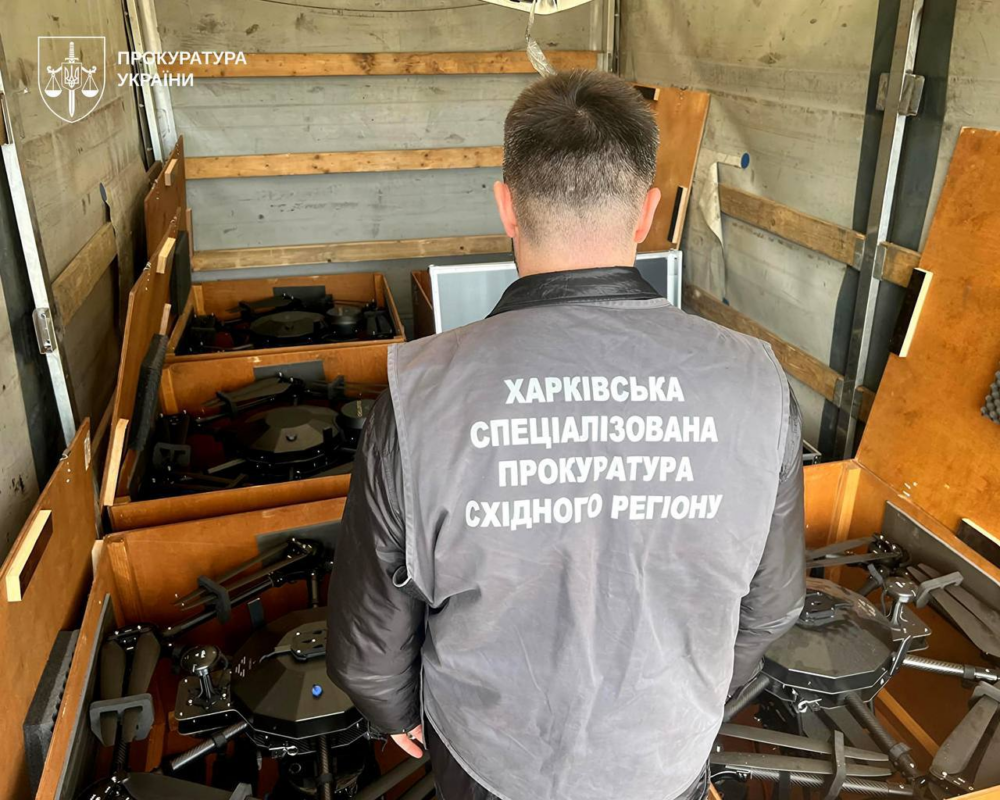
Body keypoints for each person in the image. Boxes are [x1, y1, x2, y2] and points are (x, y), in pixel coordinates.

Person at [327, 69, 806, 800]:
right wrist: (687, 698)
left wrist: (396, 710)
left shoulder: (418, 395)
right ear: (646, 213)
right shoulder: (758, 383)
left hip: (491, 766)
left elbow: (368, 645)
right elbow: (773, 605)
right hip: (666, 761)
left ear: (506, 207)